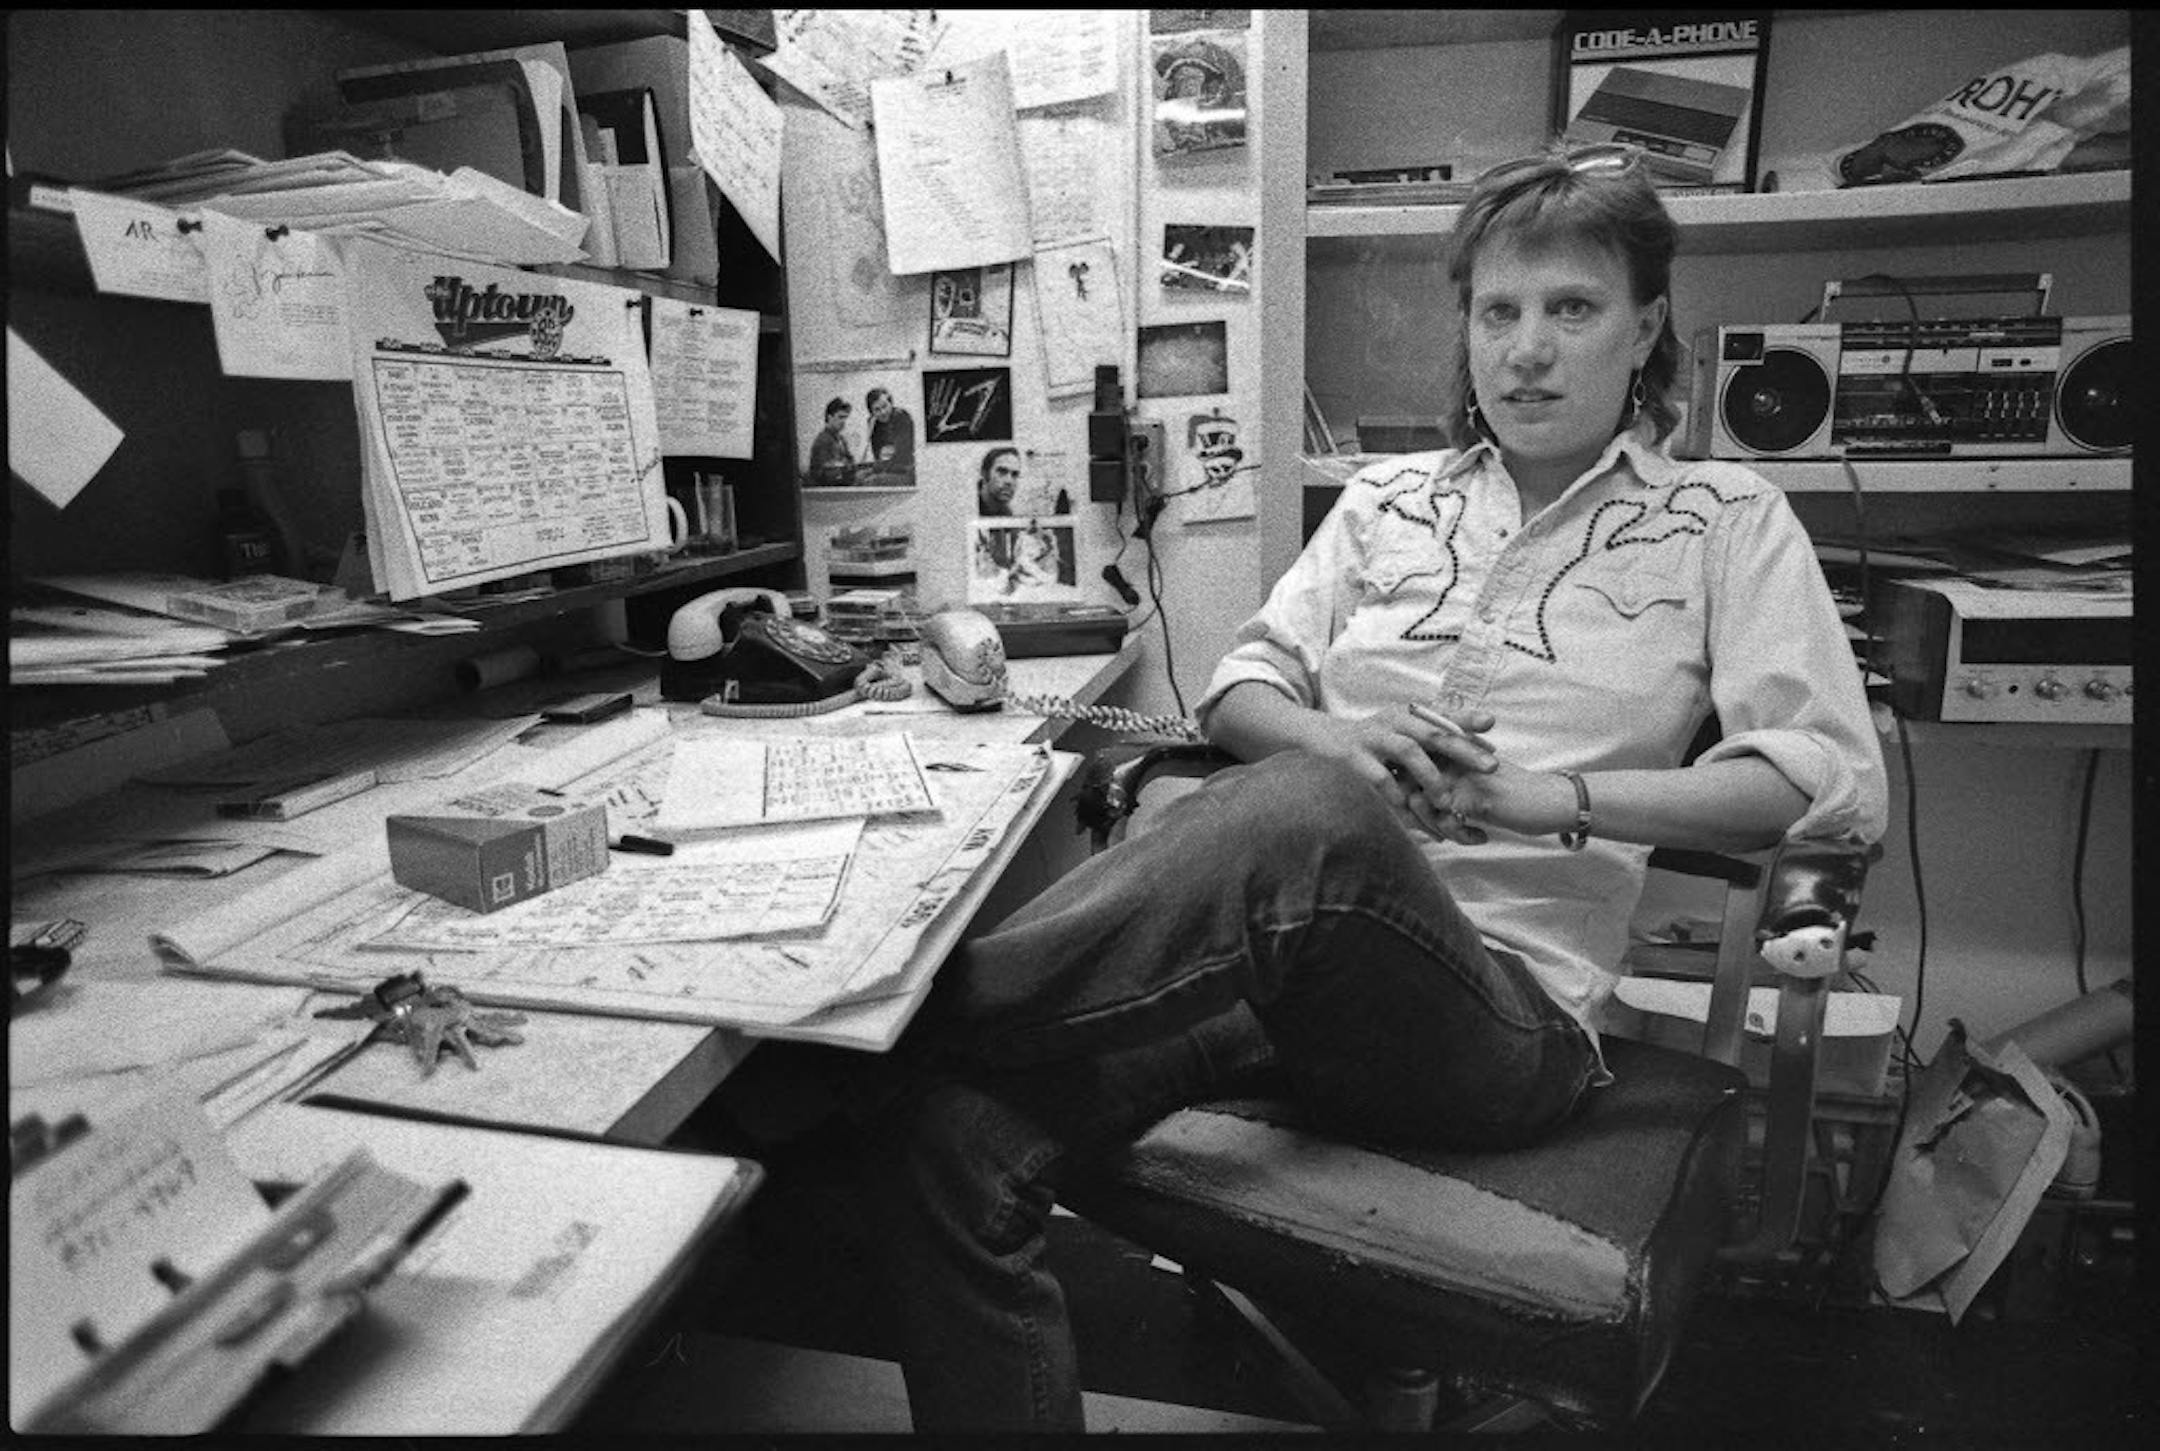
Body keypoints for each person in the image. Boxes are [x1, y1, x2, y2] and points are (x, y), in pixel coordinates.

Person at [854, 142, 1888, 1431]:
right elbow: (1240, 688)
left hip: (1501, 1023)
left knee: (1319, 818)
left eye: (1572, 310)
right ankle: (911, 1054)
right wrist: (1333, 741)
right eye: (1498, 312)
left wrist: (1543, 797)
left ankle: (889, 1022)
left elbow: (1821, 780)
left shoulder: (1725, 519)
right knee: (953, 1141)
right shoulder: (1383, 501)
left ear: (1646, 329)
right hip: (1283, 978)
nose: (1527, 350)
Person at [864, 385, 916, 485]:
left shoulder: (901, 417)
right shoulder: (873, 423)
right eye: (877, 410)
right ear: (872, 412)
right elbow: (878, 455)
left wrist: (878, 470)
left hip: (905, 470)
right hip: (888, 468)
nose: (883, 412)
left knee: (871, 481)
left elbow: (902, 456)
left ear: (891, 403)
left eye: (885, 406)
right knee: (859, 477)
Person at [806, 397, 855, 487]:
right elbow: (827, 474)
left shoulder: (841, 439)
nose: (844, 421)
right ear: (829, 417)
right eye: (840, 417)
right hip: (826, 491)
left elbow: (850, 461)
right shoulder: (823, 440)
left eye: (845, 417)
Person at [975, 446, 1022, 516]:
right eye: (1002, 472)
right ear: (984, 473)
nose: (1009, 481)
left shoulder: (1007, 513)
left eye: (1014, 475)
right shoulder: (968, 507)